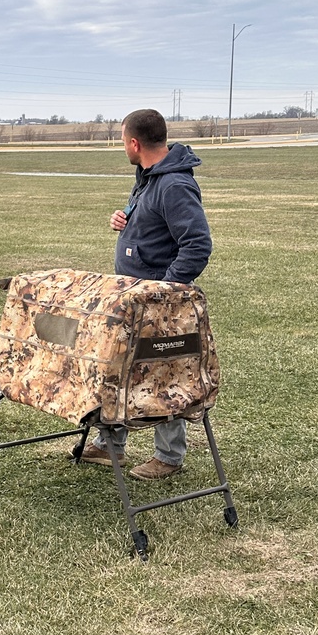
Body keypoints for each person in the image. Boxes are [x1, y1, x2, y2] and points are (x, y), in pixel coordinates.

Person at [81, 108, 212, 480]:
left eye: (123, 140)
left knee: (164, 374)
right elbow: (152, 224)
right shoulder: (148, 177)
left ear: (135, 143)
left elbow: (197, 245)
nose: (123, 146)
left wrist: (164, 293)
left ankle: (169, 457)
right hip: (131, 300)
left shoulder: (174, 185)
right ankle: (110, 446)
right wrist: (124, 221)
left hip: (157, 305)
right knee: (118, 368)